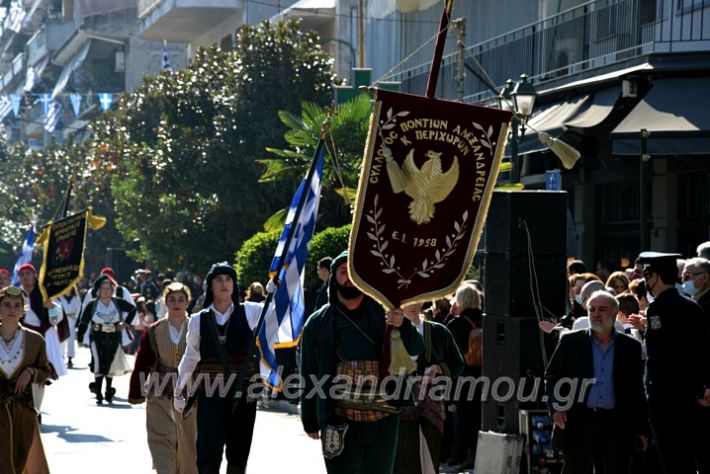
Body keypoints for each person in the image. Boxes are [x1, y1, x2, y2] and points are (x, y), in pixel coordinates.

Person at [300, 250, 424, 474]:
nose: (348, 277)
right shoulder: (317, 323)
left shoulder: (386, 314)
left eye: (353, 271)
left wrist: (403, 324)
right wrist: (309, 418)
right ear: (333, 278)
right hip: (338, 416)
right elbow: (308, 371)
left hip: (384, 417)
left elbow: (416, 348)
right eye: (342, 271)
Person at [173, 262, 265, 474]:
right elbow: (190, 358)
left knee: (239, 453)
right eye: (219, 280)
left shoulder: (252, 312)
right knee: (207, 453)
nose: (224, 284)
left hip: (244, 394)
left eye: (228, 279)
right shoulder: (198, 320)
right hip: (211, 394)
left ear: (234, 285)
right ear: (210, 286)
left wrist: (278, 288)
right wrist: (180, 390)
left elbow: (280, 318)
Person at [545, 290, 650, 474]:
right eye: (592, 309)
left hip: (616, 424)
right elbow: (554, 377)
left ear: (615, 314)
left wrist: (642, 429)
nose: (596, 314)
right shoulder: (571, 342)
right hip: (578, 421)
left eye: (602, 309)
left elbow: (637, 391)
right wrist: (556, 407)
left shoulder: (630, 347)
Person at [637, 251, 710, 473]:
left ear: (655, 276)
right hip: (692, 397)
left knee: (672, 461)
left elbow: (663, 356)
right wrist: (701, 388)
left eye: (647, 276)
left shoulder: (658, 309)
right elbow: (702, 352)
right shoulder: (691, 306)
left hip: (666, 399)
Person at [129, 282, 197, 474]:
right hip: (159, 390)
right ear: (165, 302)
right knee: (161, 437)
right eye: (172, 299)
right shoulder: (154, 330)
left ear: (187, 302)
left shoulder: (197, 327)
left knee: (187, 440)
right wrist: (136, 391)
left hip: (190, 390)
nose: (176, 303)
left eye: (181, 299)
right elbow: (142, 362)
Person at [393, 301, 463, 474]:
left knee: (430, 457)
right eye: (408, 300)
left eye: (417, 299)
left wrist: (438, 368)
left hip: (431, 404)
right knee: (402, 456)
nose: (413, 305)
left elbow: (458, 364)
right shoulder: (388, 331)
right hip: (398, 402)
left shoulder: (438, 331)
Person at [0, 285, 51, 474]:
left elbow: (45, 371)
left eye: (16, 305)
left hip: (23, 410)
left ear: (23, 310)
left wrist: (30, 372)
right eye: (6, 305)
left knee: (22, 460)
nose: (11, 310)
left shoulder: (35, 340)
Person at [76, 275, 137, 404]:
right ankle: (98, 391)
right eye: (103, 288)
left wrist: (125, 323)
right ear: (98, 290)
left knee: (111, 363)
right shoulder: (92, 304)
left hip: (114, 337)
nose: (106, 291)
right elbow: (84, 321)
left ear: (112, 289)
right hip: (97, 337)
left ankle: (108, 389)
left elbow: (133, 309)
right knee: (98, 361)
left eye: (108, 288)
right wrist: (80, 337)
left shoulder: (118, 302)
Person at [17, 263, 67, 415]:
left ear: (35, 275)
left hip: (41, 338)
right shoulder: (15, 294)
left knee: (39, 375)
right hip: (20, 337)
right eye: (23, 274)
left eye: (28, 274)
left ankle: (36, 410)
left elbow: (57, 317)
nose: (26, 277)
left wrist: (51, 306)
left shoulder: (44, 293)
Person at [444, 283, 483, 470]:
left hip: (463, 376)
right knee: (478, 417)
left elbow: (445, 346)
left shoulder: (456, 323)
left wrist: (450, 315)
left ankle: (460, 457)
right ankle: (476, 454)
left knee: (461, 418)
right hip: (484, 376)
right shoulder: (486, 320)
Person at [57, 286, 81, 368]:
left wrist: (75, 318)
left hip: (72, 319)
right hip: (62, 320)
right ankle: (61, 356)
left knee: (71, 340)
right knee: (62, 339)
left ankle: (70, 357)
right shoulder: (59, 297)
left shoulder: (76, 298)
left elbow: (78, 309)